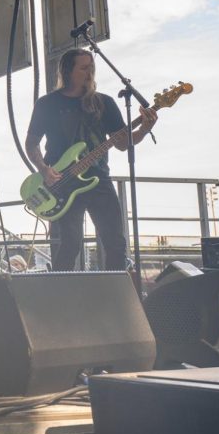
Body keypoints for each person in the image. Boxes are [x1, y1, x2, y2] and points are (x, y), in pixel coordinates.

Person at [25, 47, 157, 271]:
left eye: (92, 68)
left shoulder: (103, 103)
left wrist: (144, 129)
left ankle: (113, 294)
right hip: (60, 183)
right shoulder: (47, 104)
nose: (89, 73)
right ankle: (60, 299)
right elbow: (31, 142)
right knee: (69, 245)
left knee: (116, 243)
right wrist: (43, 169)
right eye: (84, 68)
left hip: (99, 180)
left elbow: (123, 143)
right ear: (67, 71)